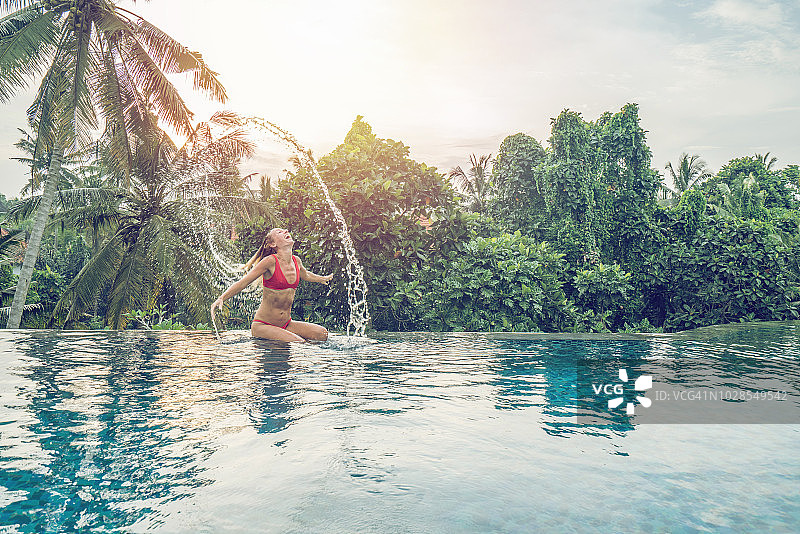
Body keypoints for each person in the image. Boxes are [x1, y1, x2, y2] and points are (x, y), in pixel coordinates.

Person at [210, 228, 332, 342]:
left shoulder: (296, 261)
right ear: (273, 244)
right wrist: (222, 298)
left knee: (322, 334)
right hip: (264, 325)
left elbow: (306, 275)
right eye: (279, 232)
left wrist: (322, 279)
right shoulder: (270, 261)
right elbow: (244, 282)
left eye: (284, 230)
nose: (285, 231)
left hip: (286, 323)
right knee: (299, 343)